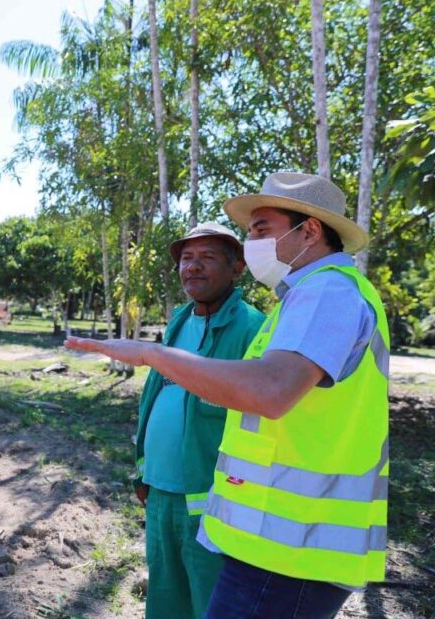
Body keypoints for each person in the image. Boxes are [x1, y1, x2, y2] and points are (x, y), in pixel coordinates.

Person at [66, 172, 389, 618]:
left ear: (310, 230)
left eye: (261, 230)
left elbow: (270, 391)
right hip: (273, 542)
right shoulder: (301, 298)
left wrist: (150, 354)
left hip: (290, 550)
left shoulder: (327, 291)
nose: (251, 243)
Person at [135, 222, 264, 619]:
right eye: (187, 258)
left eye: (207, 257)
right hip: (160, 491)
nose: (193, 266)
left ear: (236, 267)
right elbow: (157, 397)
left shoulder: (252, 328)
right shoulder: (179, 322)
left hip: (212, 500)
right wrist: (143, 472)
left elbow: (260, 414)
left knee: (211, 602)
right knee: (165, 598)